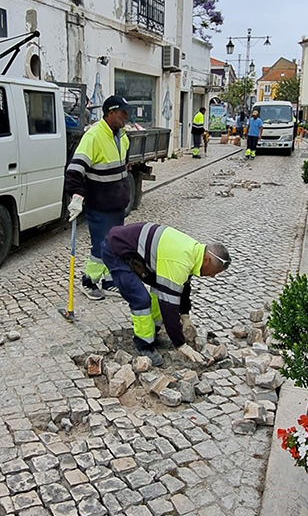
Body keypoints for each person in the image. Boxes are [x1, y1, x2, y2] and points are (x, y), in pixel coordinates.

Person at [103, 222, 231, 366]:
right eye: (215, 271)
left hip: (133, 249)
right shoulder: (180, 261)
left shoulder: (194, 252)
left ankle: (153, 334)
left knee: (158, 292)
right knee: (141, 300)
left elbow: (183, 286)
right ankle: (143, 344)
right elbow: (169, 307)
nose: (213, 276)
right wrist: (181, 344)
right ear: (207, 259)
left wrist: (185, 315)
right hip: (116, 250)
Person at [65, 95, 132, 300]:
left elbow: (123, 166)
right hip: (99, 205)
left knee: (115, 244)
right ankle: (89, 281)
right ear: (111, 113)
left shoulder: (122, 136)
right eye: (123, 113)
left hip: (117, 203)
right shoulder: (93, 137)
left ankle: (110, 281)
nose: (126, 117)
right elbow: (74, 171)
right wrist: (76, 197)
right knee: (102, 246)